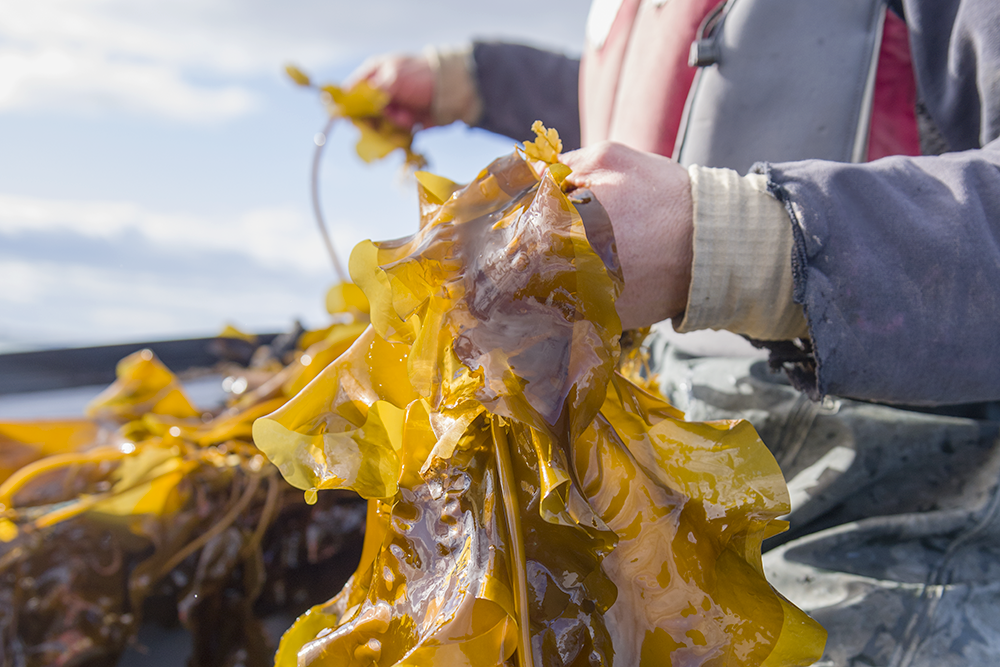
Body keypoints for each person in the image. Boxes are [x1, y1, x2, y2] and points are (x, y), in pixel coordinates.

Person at [349, 0, 1000, 664]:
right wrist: (464, 80)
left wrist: (725, 241)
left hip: (903, 473)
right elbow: (679, 101)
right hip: (664, 433)